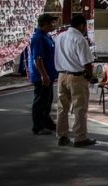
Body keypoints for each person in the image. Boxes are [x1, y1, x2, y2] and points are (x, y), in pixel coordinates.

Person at [54, 14, 96, 147]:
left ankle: (62, 136)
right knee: (80, 108)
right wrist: (90, 76)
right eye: (85, 26)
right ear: (82, 25)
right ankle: (80, 138)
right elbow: (87, 62)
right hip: (77, 77)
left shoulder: (60, 37)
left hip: (61, 76)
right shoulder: (80, 39)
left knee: (62, 108)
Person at [29, 13, 59, 135]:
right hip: (42, 76)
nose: (54, 25)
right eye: (52, 22)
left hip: (49, 75)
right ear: (45, 23)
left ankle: (47, 123)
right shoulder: (38, 38)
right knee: (40, 101)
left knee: (48, 101)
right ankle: (38, 127)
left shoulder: (47, 36)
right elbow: (38, 59)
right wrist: (44, 75)